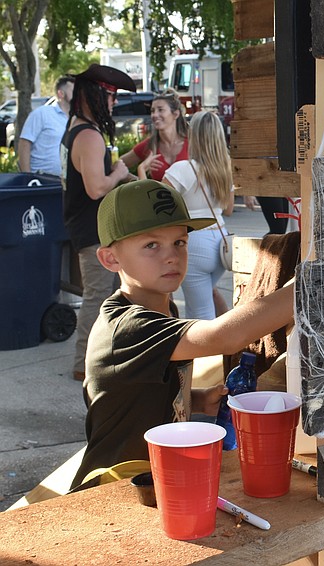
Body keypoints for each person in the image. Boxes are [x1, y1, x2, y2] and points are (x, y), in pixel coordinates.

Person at [71, 179, 295, 488]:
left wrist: (199, 399)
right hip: (113, 486)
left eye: (179, 242)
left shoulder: (163, 309)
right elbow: (226, 336)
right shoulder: (128, 326)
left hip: (157, 476)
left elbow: (141, 389)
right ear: (111, 259)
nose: (171, 256)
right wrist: (312, 283)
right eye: (151, 245)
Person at [61, 64, 136, 382]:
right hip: (92, 229)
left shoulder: (77, 128)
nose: (113, 102)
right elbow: (96, 188)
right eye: (110, 95)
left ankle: (103, 355)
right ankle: (84, 363)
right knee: (96, 294)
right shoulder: (88, 135)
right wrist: (118, 173)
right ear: (93, 94)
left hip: (89, 226)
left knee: (110, 292)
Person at [163, 110, 235, 320]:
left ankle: (208, 352)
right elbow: (229, 209)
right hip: (221, 242)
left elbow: (156, 205)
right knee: (202, 307)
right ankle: (221, 348)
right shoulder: (225, 168)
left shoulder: (183, 169)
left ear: (194, 135)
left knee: (199, 314)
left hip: (194, 242)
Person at [120, 89, 188, 181]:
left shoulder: (192, 143)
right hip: (159, 195)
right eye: (152, 111)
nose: (155, 115)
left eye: (160, 110)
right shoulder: (149, 145)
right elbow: (117, 166)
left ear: (175, 114)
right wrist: (136, 180)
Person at [18, 75, 74, 176]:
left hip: (66, 182)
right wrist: (27, 176)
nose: (78, 95)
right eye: (74, 91)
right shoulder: (42, 113)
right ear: (61, 93)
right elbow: (24, 143)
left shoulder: (77, 118)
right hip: (41, 179)